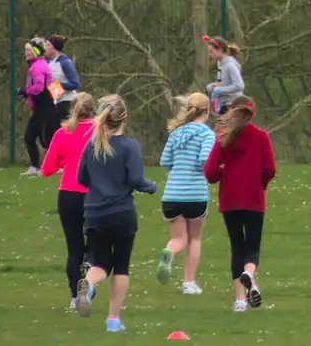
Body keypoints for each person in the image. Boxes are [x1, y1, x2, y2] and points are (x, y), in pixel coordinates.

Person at [75, 94, 158, 333]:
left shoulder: (91, 146)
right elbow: (135, 179)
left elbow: (81, 178)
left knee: (99, 263)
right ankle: (113, 320)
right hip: (121, 213)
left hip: (94, 213)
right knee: (121, 266)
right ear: (124, 118)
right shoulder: (129, 146)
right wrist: (151, 187)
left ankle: (89, 286)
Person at [203, 95, 275, 313]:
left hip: (230, 200)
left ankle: (240, 300)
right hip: (254, 199)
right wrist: (260, 184)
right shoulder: (261, 137)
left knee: (237, 247)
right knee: (252, 248)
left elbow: (210, 172)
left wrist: (224, 171)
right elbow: (270, 169)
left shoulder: (224, 138)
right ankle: (250, 275)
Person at [41, 91, 97, 309]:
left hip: (68, 195)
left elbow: (46, 169)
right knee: (94, 246)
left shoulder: (63, 133)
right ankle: (89, 284)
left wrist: (65, 163)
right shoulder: (100, 132)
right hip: (95, 195)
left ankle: (75, 296)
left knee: (74, 249)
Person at [157, 92, 216, 295]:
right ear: (206, 111)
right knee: (194, 239)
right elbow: (204, 160)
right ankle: (188, 282)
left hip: (172, 194)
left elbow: (165, 161)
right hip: (195, 193)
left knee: (178, 239)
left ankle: (169, 251)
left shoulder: (176, 133)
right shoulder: (206, 134)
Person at [21, 39, 57, 176]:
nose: (26, 53)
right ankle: (36, 166)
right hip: (45, 107)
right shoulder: (42, 64)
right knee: (39, 138)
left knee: (40, 139)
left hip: (44, 107)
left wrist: (26, 91)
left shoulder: (37, 67)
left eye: (29, 50)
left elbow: (39, 87)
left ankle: (41, 166)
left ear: (36, 52)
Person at [45, 35, 82, 126]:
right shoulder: (49, 63)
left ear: (54, 47)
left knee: (67, 133)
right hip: (56, 103)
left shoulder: (65, 62)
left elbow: (75, 83)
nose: (45, 48)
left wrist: (55, 85)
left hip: (68, 103)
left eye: (47, 45)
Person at [203, 36, 245, 115]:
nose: (210, 55)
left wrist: (220, 90)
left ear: (220, 50)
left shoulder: (230, 65)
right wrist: (214, 85)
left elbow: (239, 85)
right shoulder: (220, 64)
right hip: (223, 105)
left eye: (211, 51)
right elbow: (225, 83)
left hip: (232, 106)